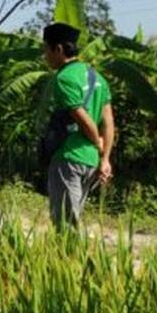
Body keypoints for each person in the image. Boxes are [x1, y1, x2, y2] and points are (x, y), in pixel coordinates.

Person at [41, 22, 115, 231]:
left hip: (68, 158)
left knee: (65, 225)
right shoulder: (97, 77)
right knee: (72, 218)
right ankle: (71, 260)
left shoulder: (63, 78)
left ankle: (70, 262)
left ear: (59, 49)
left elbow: (84, 119)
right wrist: (105, 158)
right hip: (90, 161)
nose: (45, 55)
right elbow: (108, 122)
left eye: (46, 49)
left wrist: (98, 144)